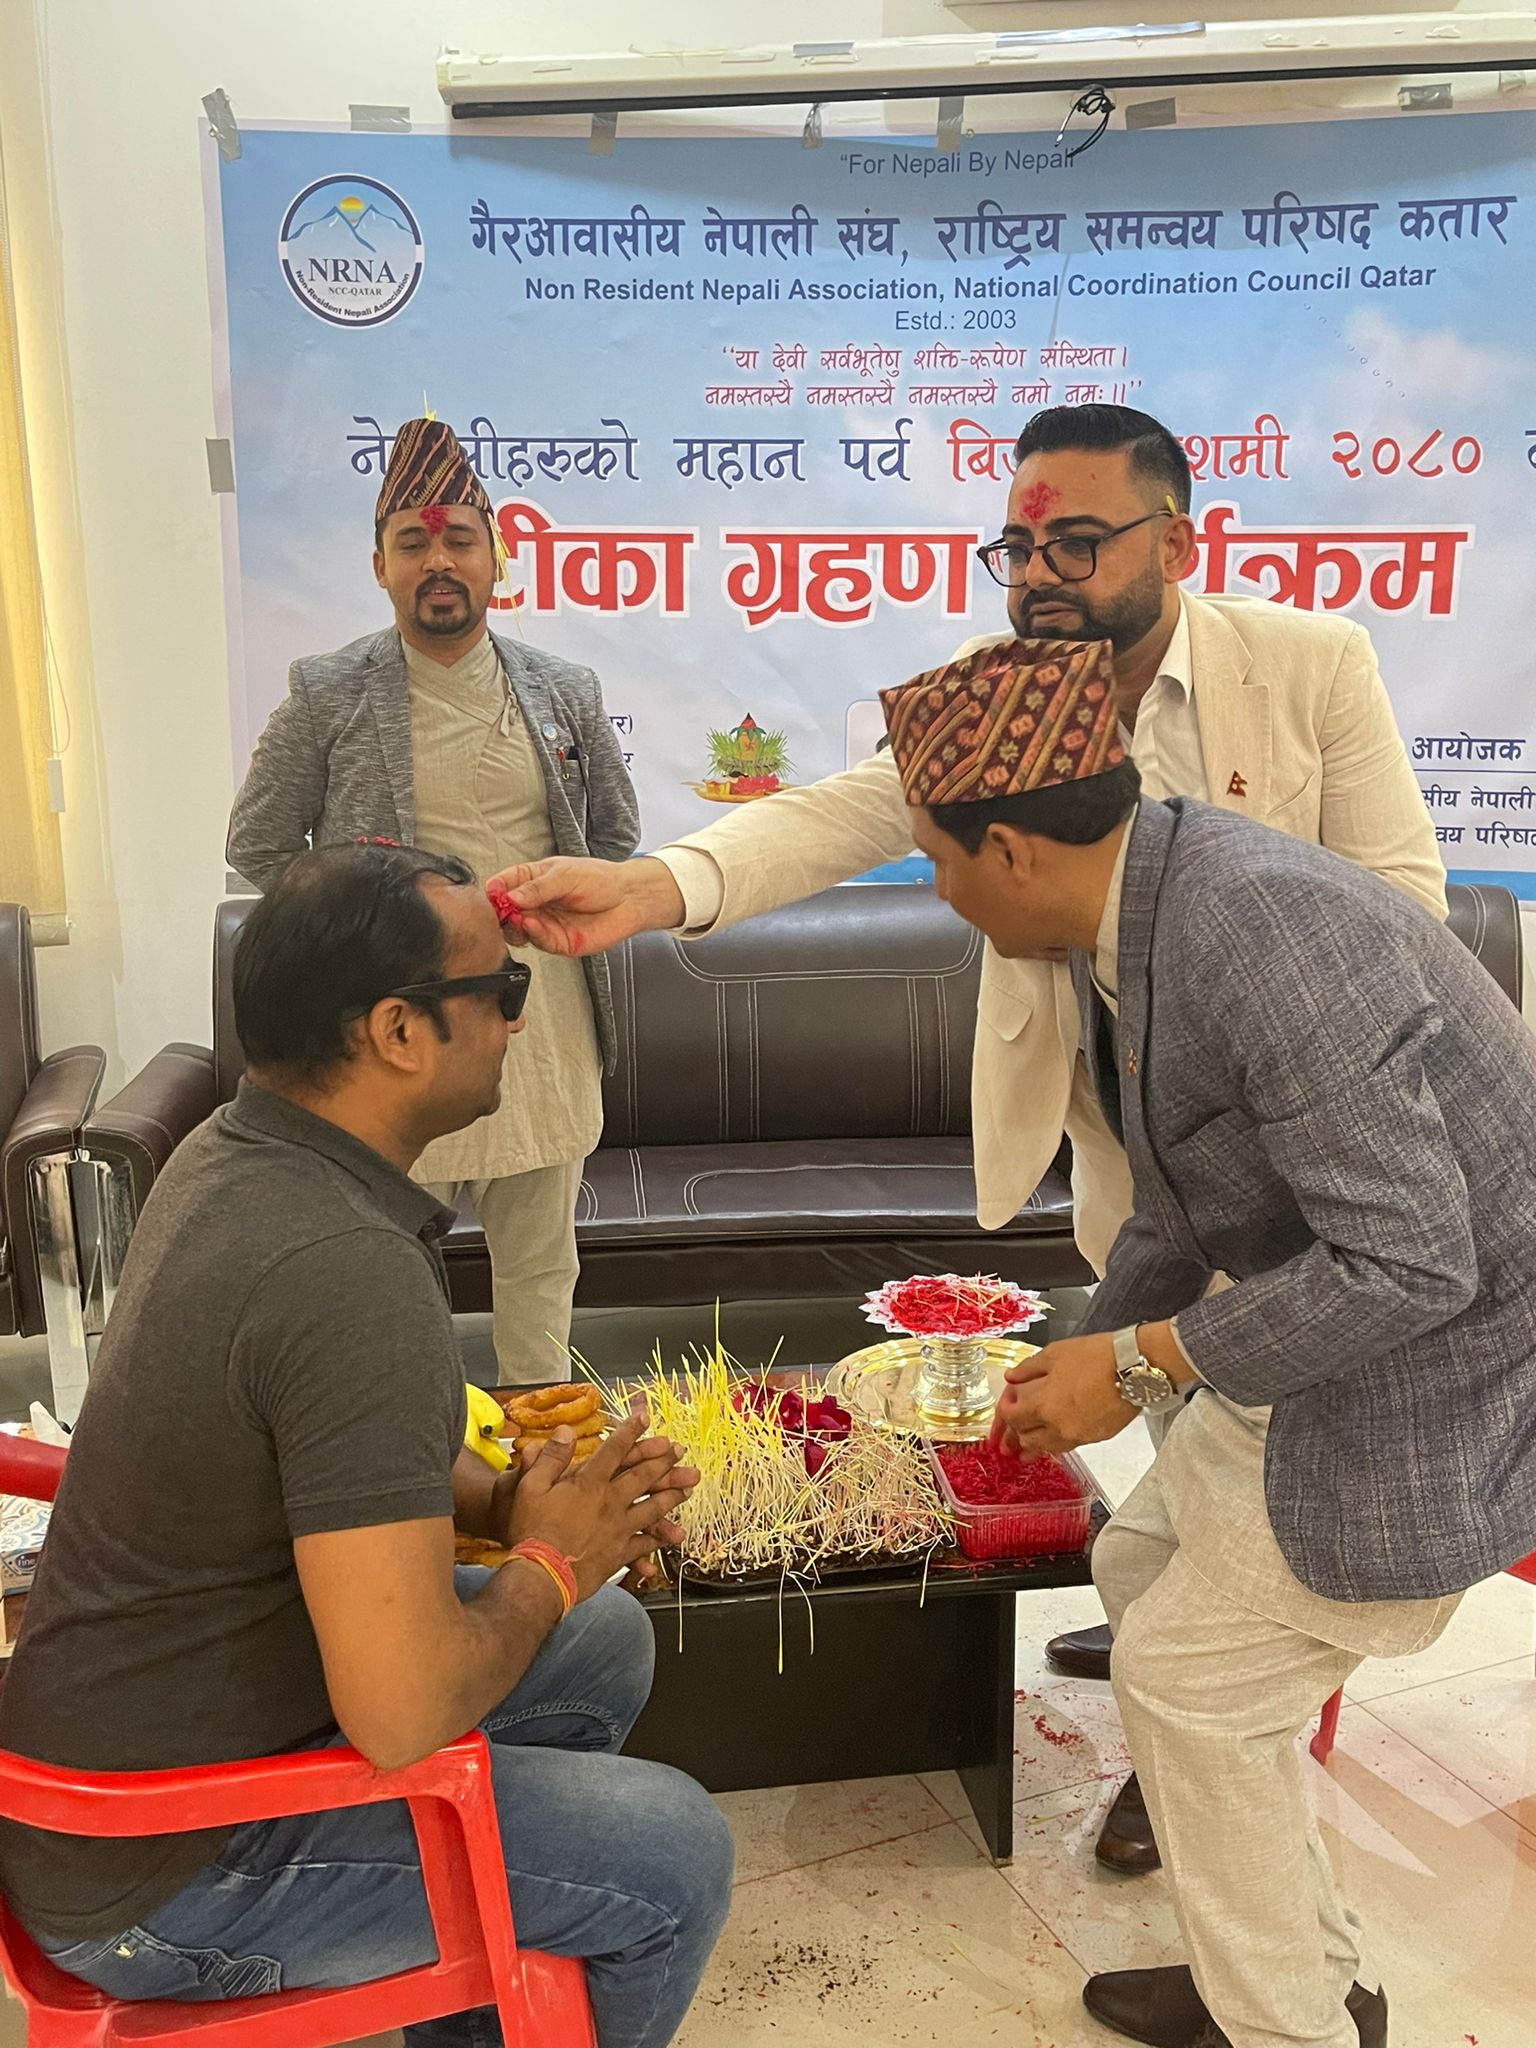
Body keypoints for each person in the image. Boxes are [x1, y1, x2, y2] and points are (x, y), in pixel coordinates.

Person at [484, 402, 1447, 1866]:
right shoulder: (993, 690)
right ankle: (1169, 1647)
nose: (1040, 576)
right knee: (1169, 1436)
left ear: (1179, 542)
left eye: (1078, 542)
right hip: (1131, 1160)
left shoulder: (1309, 669)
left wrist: (1267, 1013)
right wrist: (652, 887)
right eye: (1017, 548)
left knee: (1264, 1457)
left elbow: (1404, 910)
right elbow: (838, 813)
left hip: (1296, 1170)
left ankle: (1203, 1725)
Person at [877, 636, 1536, 2048]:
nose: (934, 890)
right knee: (1138, 1561)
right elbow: (1187, 1191)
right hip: (1339, 1328)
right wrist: (1094, 1352)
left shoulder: (1260, 935)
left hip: (1441, 1375)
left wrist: (1142, 1362)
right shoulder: (1152, 900)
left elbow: (1414, 1264)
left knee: (1187, 1684)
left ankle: (1283, 2026)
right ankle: (1296, 1971)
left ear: (1011, 849)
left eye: (935, 858)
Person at [0, 844, 733, 2048]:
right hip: (157, 1871)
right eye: (501, 989)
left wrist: (507, 1506)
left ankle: (473, 1995)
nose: (516, 1020)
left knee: (601, 1639)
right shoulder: (343, 1264)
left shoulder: (238, 1152)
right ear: (398, 1029)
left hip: (124, 1763)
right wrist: (549, 1561)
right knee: (673, 1853)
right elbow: (399, 1711)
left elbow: (329, 1441)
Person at [228, 418, 641, 1383]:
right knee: (385, 1264)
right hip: (396, 1025)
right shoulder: (329, 692)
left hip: (539, 1019)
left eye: (460, 539)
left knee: (540, 1266)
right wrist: (362, 941)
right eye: (413, 543)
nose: (439, 561)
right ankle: (402, 1440)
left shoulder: (564, 689)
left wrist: (556, 902)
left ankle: (538, 1435)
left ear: (497, 559)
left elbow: (614, 837)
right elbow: (258, 844)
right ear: (381, 567)